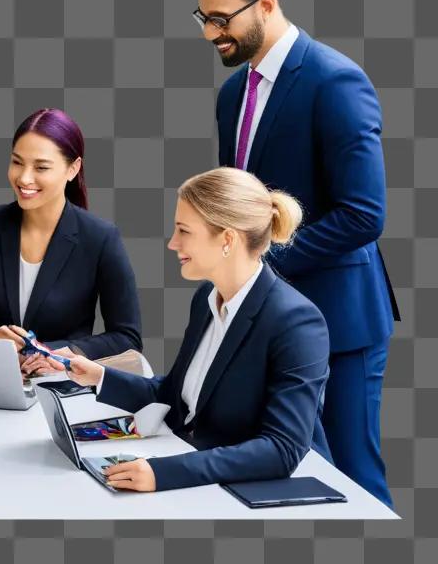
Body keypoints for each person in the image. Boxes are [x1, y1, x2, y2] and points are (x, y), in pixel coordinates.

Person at [189, 0, 399, 507]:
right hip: (263, 323)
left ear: (265, 5)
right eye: (202, 18)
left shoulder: (336, 81)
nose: (210, 33)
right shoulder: (233, 94)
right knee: (293, 473)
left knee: (352, 477)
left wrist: (258, 263)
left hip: (340, 320)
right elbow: (239, 204)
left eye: (219, 17)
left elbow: (364, 214)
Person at [34, 168, 330, 493]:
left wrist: (163, 473)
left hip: (266, 493)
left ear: (228, 239)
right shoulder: (205, 299)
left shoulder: (296, 322)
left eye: (183, 230)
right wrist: (97, 375)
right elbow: (176, 396)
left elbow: (282, 449)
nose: (173, 243)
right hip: (200, 467)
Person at [0, 107, 142, 370]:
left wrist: (60, 354)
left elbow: (127, 337)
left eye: (41, 167)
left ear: (73, 169)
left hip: (65, 388)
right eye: (17, 162)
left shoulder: (100, 238)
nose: (24, 177)